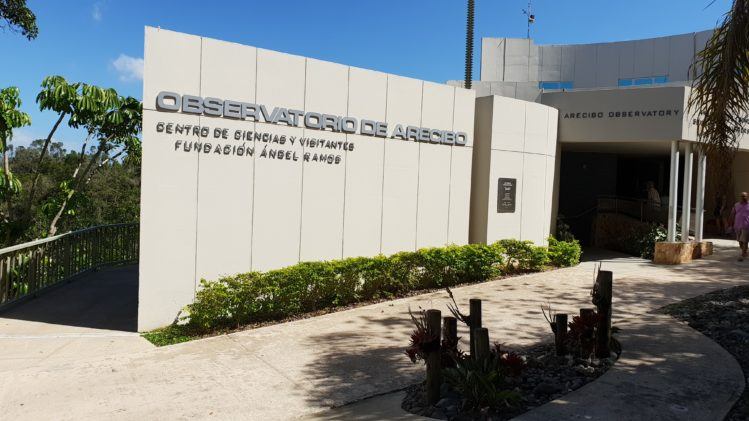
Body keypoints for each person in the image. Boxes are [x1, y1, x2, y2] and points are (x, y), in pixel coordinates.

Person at [729, 192, 749, 261]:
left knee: (744, 240)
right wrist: (730, 224)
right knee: (740, 241)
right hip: (737, 225)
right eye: (742, 196)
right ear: (740, 197)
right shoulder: (736, 205)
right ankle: (745, 251)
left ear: (747, 197)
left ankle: (743, 254)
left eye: (745, 196)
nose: (743, 198)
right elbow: (732, 214)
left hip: (746, 226)